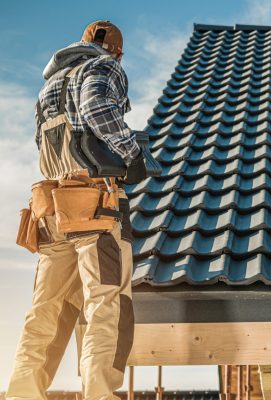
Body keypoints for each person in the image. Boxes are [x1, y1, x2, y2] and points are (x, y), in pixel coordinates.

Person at [6, 20, 146, 400]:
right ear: (116, 51)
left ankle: (22, 392)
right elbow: (97, 106)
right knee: (106, 301)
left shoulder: (49, 86)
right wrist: (131, 152)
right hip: (94, 206)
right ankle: (100, 393)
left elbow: (42, 141)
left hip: (51, 210)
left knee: (45, 309)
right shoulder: (103, 66)